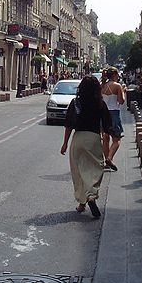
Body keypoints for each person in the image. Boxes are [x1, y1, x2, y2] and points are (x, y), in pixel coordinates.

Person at [60, 75, 113, 218]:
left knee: (78, 171)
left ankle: (82, 203)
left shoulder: (76, 102)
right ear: (97, 88)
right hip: (93, 138)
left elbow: (69, 124)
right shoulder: (100, 104)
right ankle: (91, 195)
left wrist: (65, 143)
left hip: (78, 138)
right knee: (96, 168)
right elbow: (108, 125)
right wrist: (111, 138)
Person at [101, 67, 125, 171]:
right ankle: (110, 158)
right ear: (114, 75)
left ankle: (106, 160)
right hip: (114, 113)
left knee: (105, 138)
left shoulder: (102, 85)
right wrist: (123, 91)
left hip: (103, 114)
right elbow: (121, 101)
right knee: (117, 138)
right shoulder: (117, 86)